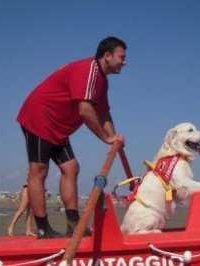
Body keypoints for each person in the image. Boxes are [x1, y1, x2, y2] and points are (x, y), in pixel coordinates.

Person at [17, 36, 126, 238]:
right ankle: (42, 228)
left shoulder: (102, 81)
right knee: (39, 170)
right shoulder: (89, 71)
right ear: (107, 56)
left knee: (71, 167)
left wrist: (115, 137)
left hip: (59, 127)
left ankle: (73, 225)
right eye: (121, 57)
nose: (124, 61)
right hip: (40, 116)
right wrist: (106, 138)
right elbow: (85, 110)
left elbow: (103, 113)